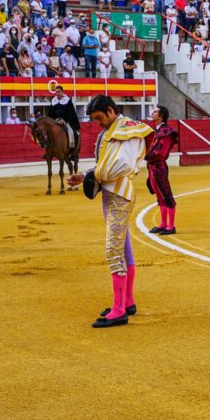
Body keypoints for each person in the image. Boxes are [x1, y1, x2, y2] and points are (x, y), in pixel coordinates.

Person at [67, 95, 153, 328]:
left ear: (110, 110)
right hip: (112, 193)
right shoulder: (116, 130)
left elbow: (122, 166)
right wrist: (85, 174)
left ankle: (119, 310)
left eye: (99, 118)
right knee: (123, 247)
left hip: (119, 194)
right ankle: (127, 301)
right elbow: (106, 164)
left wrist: (92, 175)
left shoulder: (127, 130)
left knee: (113, 249)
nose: (99, 123)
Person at [145, 105, 180, 235]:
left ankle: (171, 226)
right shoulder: (158, 130)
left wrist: (147, 157)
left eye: (155, 112)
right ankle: (163, 223)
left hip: (159, 166)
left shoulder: (166, 131)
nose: (152, 113)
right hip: (153, 166)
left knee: (166, 194)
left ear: (161, 116)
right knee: (159, 195)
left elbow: (161, 152)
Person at [46, 84, 81, 155]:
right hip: (55, 122)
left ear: (62, 92)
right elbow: (50, 114)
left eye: (58, 92)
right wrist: (55, 121)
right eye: (56, 92)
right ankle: (48, 151)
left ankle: (73, 151)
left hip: (66, 122)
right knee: (47, 134)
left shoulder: (68, 101)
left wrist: (64, 121)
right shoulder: (53, 101)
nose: (57, 94)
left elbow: (71, 114)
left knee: (73, 133)